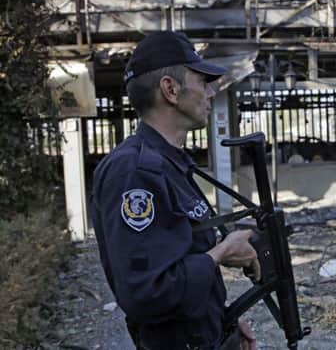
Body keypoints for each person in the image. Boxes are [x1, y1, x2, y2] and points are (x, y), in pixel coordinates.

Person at [90, 31, 260, 350]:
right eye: (202, 81)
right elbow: (148, 293)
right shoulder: (136, 172)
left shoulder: (169, 164)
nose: (210, 93)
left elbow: (180, 257)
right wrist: (222, 252)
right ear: (170, 89)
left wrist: (222, 320)